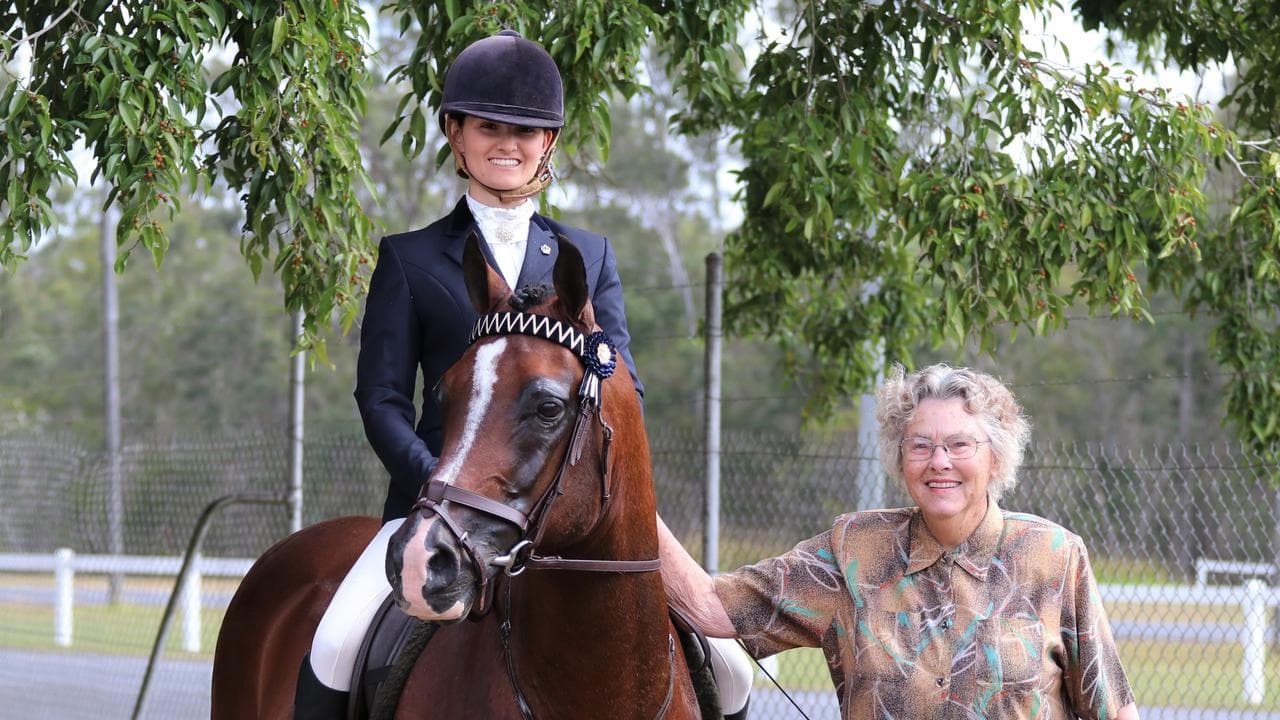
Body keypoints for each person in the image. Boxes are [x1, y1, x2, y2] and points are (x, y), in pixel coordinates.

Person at [293, 30, 752, 719]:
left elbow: (624, 384)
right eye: (489, 127)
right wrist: (439, 484)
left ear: (549, 143)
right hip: (444, 504)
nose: (507, 143)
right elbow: (381, 396)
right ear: (455, 132)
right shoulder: (410, 260)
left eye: (526, 131)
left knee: (730, 662)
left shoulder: (587, 256)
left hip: (572, 498)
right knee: (335, 643)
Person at [659, 363, 1140, 719]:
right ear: (898, 456)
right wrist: (622, 495)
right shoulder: (854, 552)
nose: (939, 461)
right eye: (921, 445)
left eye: (959, 444)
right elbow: (710, 607)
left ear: (997, 458)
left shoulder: (1053, 558)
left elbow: (1114, 711)